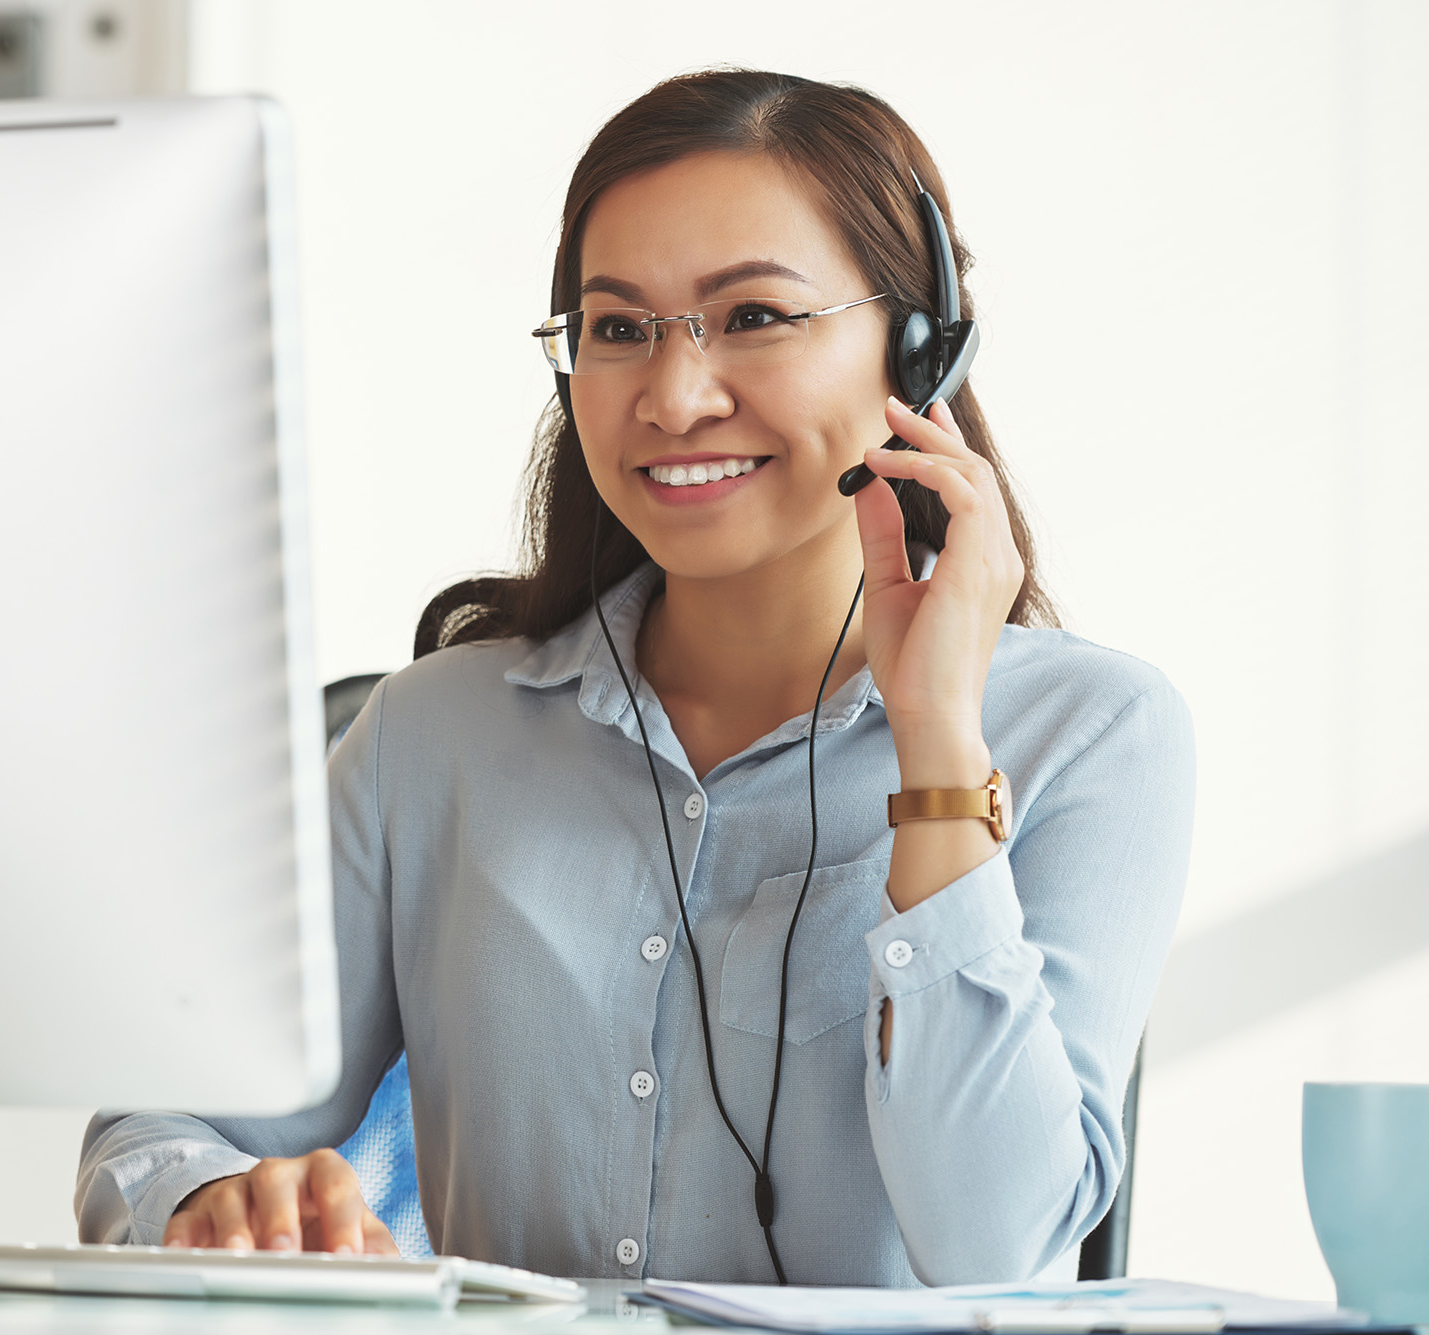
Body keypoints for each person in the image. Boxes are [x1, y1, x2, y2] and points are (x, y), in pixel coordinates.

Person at [76, 69, 1193, 1287]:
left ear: (914, 349)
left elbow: (997, 1253)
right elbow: (155, 1131)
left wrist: (933, 746)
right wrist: (219, 1200)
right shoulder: (428, 739)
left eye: (754, 316)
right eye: (617, 329)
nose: (672, 396)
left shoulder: (1088, 736)